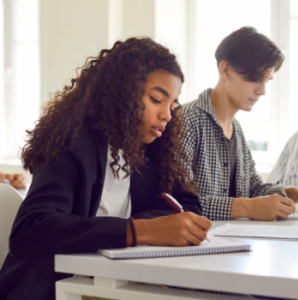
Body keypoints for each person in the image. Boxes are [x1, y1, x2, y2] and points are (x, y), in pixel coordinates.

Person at [0, 37, 211, 300]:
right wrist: (140, 231)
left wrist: (146, 226)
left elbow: (187, 204)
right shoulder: (72, 145)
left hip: (111, 285)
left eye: (173, 105)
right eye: (157, 99)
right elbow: (31, 230)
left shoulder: (151, 149)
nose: (167, 115)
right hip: (50, 289)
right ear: (124, 92)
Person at [181, 26, 298, 221]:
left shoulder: (235, 129)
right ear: (225, 70)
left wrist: (292, 193)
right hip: (199, 246)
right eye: (255, 79)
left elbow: (254, 189)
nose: (262, 90)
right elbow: (180, 203)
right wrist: (246, 207)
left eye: (267, 81)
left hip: (233, 242)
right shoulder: (187, 121)